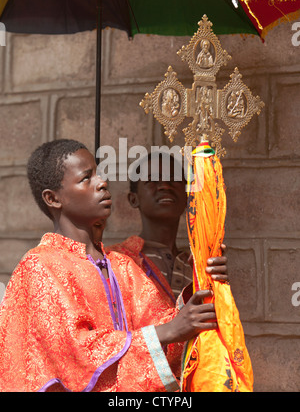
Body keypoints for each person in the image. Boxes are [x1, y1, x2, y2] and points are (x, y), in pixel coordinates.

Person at [0, 139, 224, 393]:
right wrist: (167, 331)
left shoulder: (122, 265)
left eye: (99, 174)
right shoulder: (40, 265)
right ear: (53, 198)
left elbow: (165, 326)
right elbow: (71, 349)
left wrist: (203, 290)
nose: (102, 182)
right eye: (87, 178)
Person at [106, 152, 228, 302]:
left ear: (187, 196)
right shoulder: (115, 258)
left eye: (174, 179)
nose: (165, 186)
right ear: (134, 199)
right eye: (152, 180)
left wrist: (216, 284)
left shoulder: (196, 264)